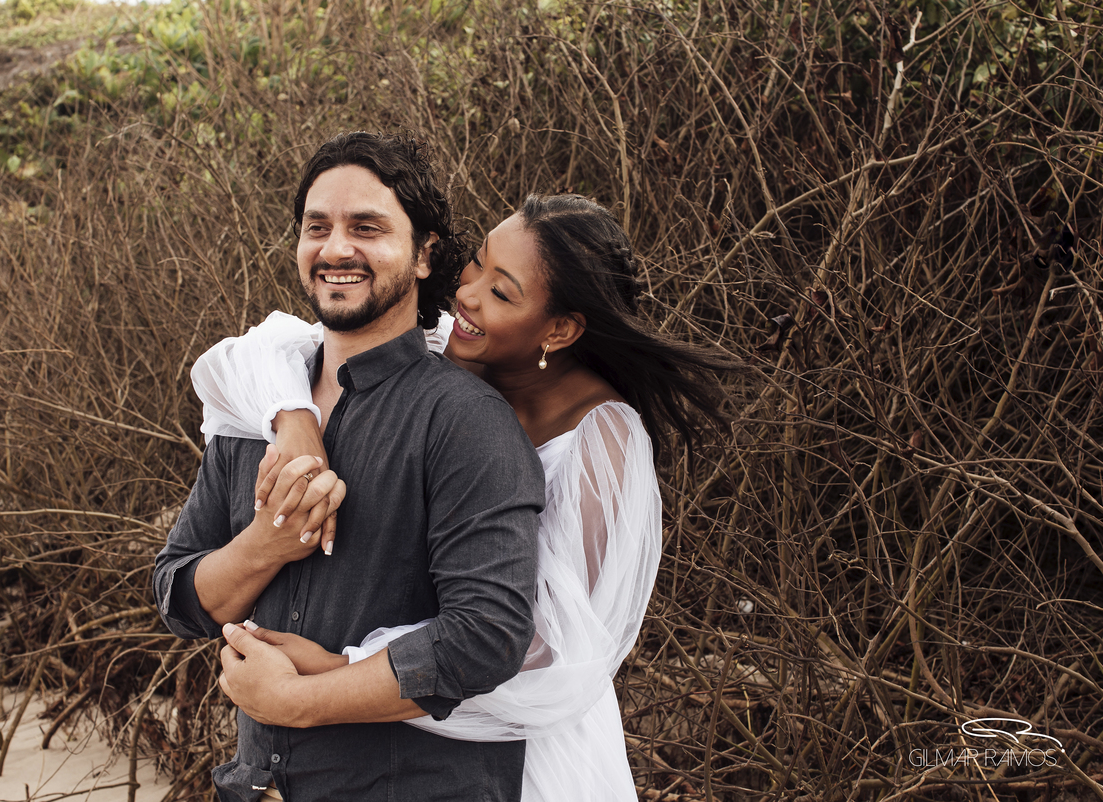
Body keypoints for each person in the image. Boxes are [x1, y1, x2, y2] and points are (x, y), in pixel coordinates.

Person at [193, 193, 747, 801]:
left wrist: (333, 670)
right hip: (396, 726)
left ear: (559, 329)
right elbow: (254, 350)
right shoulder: (448, 351)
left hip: (520, 738)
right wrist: (294, 419)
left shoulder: (601, 439)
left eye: (502, 292)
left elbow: (549, 647)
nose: (469, 295)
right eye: (477, 263)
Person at [153, 131, 546, 802]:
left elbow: (487, 636)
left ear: (424, 254)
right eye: (318, 228)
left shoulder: (464, 419)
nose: (335, 250)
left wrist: (296, 702)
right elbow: (179, 596)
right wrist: (267, 544)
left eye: (367, 228)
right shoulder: (258, 408)